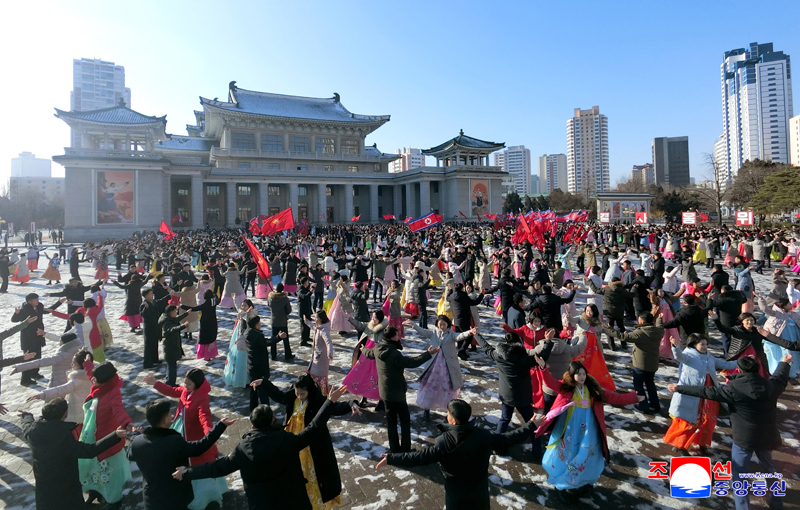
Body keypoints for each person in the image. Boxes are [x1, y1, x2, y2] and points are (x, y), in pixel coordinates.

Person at [174, 386, 349, 510]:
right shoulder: (288, 440)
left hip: (262, 503)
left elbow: (218, 467)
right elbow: (314, 428)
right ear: (272, 420)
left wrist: (187, 472)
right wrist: (330, 402)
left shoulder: (243, 448)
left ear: (253, 425)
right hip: (293, 502)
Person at [668, 354, 792, 510]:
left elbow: (705, 392)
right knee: (769, 469)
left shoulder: (732, 389)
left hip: (743, 439)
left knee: (739, 474)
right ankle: (776, 503)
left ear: (739, 370)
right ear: (758, 369)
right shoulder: (770, 385)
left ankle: (743, 507)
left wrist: (679, 388)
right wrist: (784, 362)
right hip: (766, 436)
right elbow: (780, 376)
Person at [376, 399, 544, 510]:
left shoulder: (443, 442)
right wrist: (530, 425)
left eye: (448, 413)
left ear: (453, 421)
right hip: (479, 493)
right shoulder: (483, 436)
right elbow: (509, 439)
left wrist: (391, 458)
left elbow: (418, 458)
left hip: (456, 496)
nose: (446, 415)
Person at [537, 360, 643, 498]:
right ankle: (566, 482)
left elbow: (613, 397)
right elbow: (550, 383)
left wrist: (634, 397)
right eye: (578, 374)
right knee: (569, 453)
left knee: (587, 453)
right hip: (570, 429)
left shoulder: (592, 390)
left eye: (583, 374)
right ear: (572, 375)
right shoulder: (566, 387)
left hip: (588, 429)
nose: (582, 377)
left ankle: (582, 480)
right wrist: (543, 368)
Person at [253, 376, 361, 508]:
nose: (299, 396)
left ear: (309, 391)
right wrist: (264, 383)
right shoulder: (293, 398)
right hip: (294, 441)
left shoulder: (316, 401)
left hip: (311, 445)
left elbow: (334, 407)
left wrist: (351, 404)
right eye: (297, 393)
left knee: (314, 474)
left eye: (302, 394)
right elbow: (280, 396)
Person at [142, 369, 230, 509]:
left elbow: (205, 418)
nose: (186, 386)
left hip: (194, 436)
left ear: (197, 384)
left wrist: (211, 433)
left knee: (196, 464)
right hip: (181, 429)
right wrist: (155, 383)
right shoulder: (186, 391)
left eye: (189, 384)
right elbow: (172, 390)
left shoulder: (201, 399)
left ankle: (203, 497)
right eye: (185, 383)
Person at [20, 397, 127, 510]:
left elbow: (26, 425)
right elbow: (89, 451)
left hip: (44, 483)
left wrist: (26, 415)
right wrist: (115, 436)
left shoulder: (33, 432)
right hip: (66, 484)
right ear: (65, 415)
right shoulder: (63, 437)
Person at [127, 398, 234, 510]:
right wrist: (220, 426)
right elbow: (199, 448)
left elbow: (130, 453)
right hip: (175, 497)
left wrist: (135, 435)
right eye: (169, 414)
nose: (171, 415)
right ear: (165, 419)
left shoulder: (137, 442)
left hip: (152, 498)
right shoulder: (173, 441)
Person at [475, 331, 553, 459]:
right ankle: (537, 450)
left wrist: (476, 334)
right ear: (519, 343)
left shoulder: (498, 356)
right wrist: (548, 341)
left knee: (504, 420)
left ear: (506, 343)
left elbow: (487, 348)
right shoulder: (524, 359)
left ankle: (497, 446)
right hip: (522, 397)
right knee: (532, 423)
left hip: (506, 396)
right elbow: (543, 356)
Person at [362, 327, 438, 453]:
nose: (399, 337)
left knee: (391, 421)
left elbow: (368, 354)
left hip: (385, 392)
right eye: (397, 335)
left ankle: (394, 449)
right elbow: (412, 362)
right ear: (392, 338)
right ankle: (405, 449)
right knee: (404, 420)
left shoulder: (377, 348)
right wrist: (428, 354)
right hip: (397, 393)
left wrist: (363, 349)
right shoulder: (394, 354)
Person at [663, 333, 737, 456]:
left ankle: (702, 443)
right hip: (690, 395)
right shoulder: (688, 355)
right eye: (702, 344)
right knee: (686, 422)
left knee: (707, 421)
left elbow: (725, 365)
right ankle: (680, 445)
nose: (705, 347)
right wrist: (675, 346)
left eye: (706, 344)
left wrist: (740, 362)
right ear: (694, 344)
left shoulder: (709, 357)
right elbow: (679, 356)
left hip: (708, 396)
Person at [79, 362, 134, 508]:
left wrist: (126, 423)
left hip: (107, 438)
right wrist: (87, 363)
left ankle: (114, 500)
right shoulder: (102, 386)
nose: (93, 381)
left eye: (96, 379)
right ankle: (96, 492)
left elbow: (118, 410)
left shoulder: (113, 392)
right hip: (92, 434)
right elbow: (92, 375)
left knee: (108, 472)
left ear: (104, 380)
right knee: (93, 467)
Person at [409, 316, 474, 419]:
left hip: (447, 367)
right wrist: (414, 325)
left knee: (447, 388)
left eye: (444, 324)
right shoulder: (433, 333)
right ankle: (427, 409)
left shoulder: (451, 334)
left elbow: (459, 336)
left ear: (448, 324)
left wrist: (469, 332)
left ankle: (449, 412)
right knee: (430, 387)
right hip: (433, 366)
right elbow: (423, 332)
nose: (442, 326)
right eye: (440, 324)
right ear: (437, 324)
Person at [604, 312, 664, 413]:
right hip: (653, 364)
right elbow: (660, 326)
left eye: (639, 318)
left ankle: (644, 405)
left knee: (638, 385)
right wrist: (659, 319)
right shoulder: (658, 331)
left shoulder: (640, 333)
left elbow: (622, 336)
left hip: (640, 364)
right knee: (650, 384)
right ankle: (655, 404)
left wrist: (608, 330)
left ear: (643, 321)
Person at [26, 348, 94, 423]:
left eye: (74, 363)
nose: (71, 365)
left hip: (77, 410)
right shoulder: (93, 375)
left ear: (81, 365)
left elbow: (61, 390)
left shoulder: (77, 381)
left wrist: (42, 394)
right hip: (90, 407)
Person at [11, 293, 63, 385]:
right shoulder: (24, 310)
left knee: (37, 356)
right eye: (35, 300)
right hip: (28, 338)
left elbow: (47, 311)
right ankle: (25, 379)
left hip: (38, 336)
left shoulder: (39, 307)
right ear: (29, 301)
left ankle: (34, 373)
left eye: (37, 299)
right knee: (28, 358)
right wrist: (16, 313)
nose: (37, 301)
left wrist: (58, 302)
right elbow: (14, 320)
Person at [344, 311, 388, 406]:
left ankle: (381, 400)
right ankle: (364, 397)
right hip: (365, 354)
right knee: (362, 375)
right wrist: (349, 318)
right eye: (372, 318)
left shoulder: (383, 331)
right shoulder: (370, 325)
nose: (372, 320)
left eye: (374, 318)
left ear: (380, 320)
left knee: (376, 378)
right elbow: (359, 325)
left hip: (376, 356)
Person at [245, 315, 287, 411]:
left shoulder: (247, 333)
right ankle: (267, 414)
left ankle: (253, 411)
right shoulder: (257, 336)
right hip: (260, 368)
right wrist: (278, 337)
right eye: (259, 323)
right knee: (263, 392)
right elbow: (267, 342)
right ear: (256, 325)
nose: (260, 325)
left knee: (253, 392)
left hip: (251, 367)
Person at [702, 284, 747, 356]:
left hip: (725, 322)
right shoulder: (737, 297)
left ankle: (727, 355)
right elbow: (745, 299)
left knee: (726, 339)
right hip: (737, 321)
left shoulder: (722, 299)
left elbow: (713, 304)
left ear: (723, 291)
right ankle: (736, 354)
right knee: (735, 340)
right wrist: (741, 292)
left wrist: (709, 299)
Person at [181, 289, 220, 362]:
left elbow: (195, 308)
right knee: (211, 337)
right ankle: (211, 353)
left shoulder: (206, 304)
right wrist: (214, 294)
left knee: (205, 338)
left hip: (205, 323)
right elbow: (217, 299)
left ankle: (206, 355)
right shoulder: (214, 301)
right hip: (213, 322)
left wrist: (183, 306)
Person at [304, 310, 334, 396]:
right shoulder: (319, 327)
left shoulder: (324, 330)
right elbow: (313, 327)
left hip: (321, 359)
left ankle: (320, 395)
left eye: (316, 317)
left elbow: (329, 342)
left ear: (321, 319)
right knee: (313, 375)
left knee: (318, 377)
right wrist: (306, 321)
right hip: (316, 358)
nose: (315, 319)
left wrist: (330, 354)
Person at [159, 305, 190, 386]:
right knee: (172, 366)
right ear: (171, 312)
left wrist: (186, 313)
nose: (176, 313)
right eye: (175, 311)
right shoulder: (166, 322)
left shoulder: (169, 318)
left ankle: (168, 381)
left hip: (172, 346)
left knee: (171, 366)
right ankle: (170, 383)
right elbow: (171, 330)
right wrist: (183, 326)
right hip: (170, 347)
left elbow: (176, 319)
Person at [268, 282, 294, 353]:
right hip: (282, 321)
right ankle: (288, 354)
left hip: (274, 321)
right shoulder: (285, 299)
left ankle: (273, 354)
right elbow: (288, 310)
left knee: (273, 339)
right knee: (285, 339)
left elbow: (269, 305)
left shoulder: (271, 298)